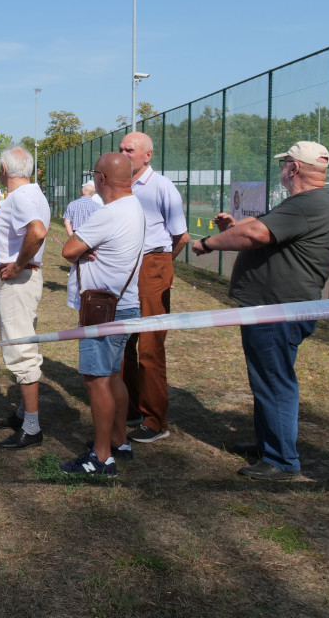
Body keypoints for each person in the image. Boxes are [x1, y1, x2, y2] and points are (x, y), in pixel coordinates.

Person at [191, 141, 329, 481]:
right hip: (272, 307)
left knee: (274, 381)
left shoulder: (306, 204)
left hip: (278, 309)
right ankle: (269, 443)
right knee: (266, 378)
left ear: (294, 168)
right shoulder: (304, 204)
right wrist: (232, 231)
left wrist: (207, 244)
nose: (282, 169)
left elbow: (257, 233)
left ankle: (282, 461)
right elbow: (267, 237)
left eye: (285, 163)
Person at [61, 152, 145, 476]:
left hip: (101, 309)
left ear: (101, 179)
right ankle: (118, 440)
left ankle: (101, 456)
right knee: (112, 376)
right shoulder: (134, 206)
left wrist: (79, 246)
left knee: (96, 380)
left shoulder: (107, 213)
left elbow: (69, 250)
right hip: (125, 303)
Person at [118, 131, 190, 444]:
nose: (123, 154)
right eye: (120, 149)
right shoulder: (119, 186)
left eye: (129, 149)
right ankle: (131, 408)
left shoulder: (162, 187)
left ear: (147, 155)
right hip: (124, 268)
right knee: (122, 341)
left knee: (149, 345)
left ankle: (155, 420)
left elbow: (181, 237)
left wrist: (160, 264)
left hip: (152, 265)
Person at [0, 147, 50, 450]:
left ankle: (32, 426)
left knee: (21, 350)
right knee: (23, 342)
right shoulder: (31, 194)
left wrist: (18, 264)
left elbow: (36, 232)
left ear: (3, 169)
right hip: (21, 280)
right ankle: (25, 414)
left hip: (17, 281)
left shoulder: (23, 196)